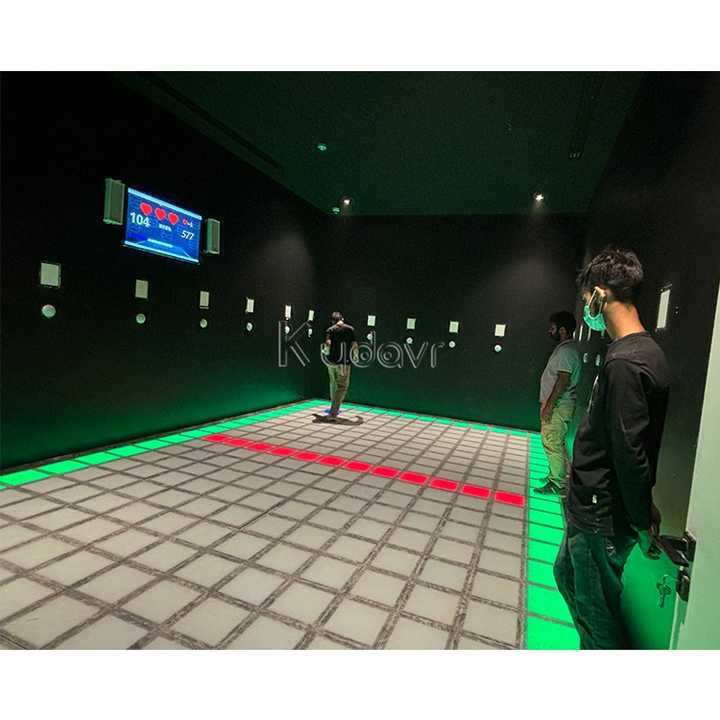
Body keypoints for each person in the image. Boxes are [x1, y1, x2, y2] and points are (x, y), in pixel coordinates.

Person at [554, 247, 670, 650]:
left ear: (600, 294)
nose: (587, 308)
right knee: (567, 576)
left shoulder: (627, 363)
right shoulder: (633, 354)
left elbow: (629, 449)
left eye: (587, 298)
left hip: (600, 514)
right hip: (591, 508)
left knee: (596, 614)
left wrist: (639, 518)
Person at [535, 311, 582, 497]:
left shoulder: (566, 352)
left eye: (552, 328)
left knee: (552, 441)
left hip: (558, 406)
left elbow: (563, 380)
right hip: (559, 405)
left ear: (562, 330)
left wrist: (549, 406)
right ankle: (554, 476)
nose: (550, 331)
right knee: (553, 441)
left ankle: (557, 483)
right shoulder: (566, 349)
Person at [320, 311, 358, 421]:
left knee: (333, 384)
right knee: (342, 387)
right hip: (343, 363)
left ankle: (333, 406)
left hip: (331, 362)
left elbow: (328, 343)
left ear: (333, 321)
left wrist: (325, 351)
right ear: (342, 318)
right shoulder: (350, 329)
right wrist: (356, 355)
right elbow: (354, 344)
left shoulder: (330, 330)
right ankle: (333, 413)